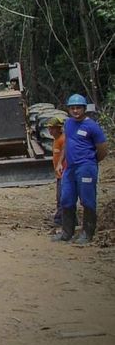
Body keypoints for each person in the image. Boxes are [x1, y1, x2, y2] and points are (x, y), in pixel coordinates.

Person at [54, 94, 108, 244]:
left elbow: (102, 149)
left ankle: (87, 233)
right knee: (66, 199)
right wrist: (60, 162)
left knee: (87, 200)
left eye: (78, 108)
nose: (75, 111)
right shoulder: (69, 124)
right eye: (72, 108)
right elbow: (66, 144)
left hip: (86, 167)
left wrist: (91, 161)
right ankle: (67, 232)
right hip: (70, 168)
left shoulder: (92, 126)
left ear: (84, 108)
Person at [46, 117, 65, 227]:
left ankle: (60, 220)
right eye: (49, 129)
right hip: (59, 175)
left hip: (64, 174)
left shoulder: (63, 140)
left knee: (63, 197)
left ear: (59, 128)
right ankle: (62, 219)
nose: (50, 131)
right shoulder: (56, 140)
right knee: (60, 197)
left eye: (52, 129)